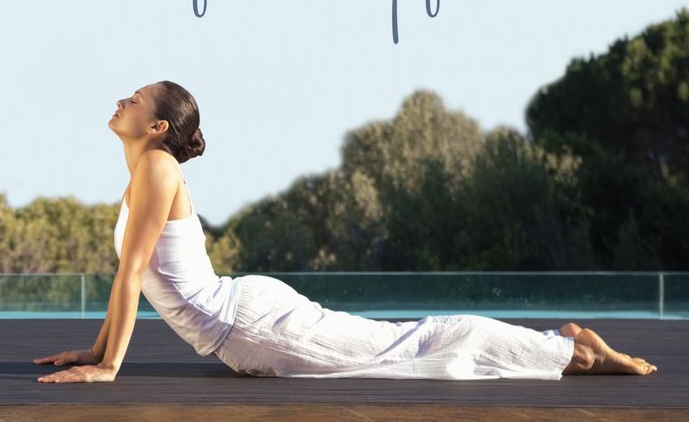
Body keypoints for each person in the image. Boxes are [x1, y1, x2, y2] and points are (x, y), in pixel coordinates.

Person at [34, 81, 658, 383]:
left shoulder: (156, 168)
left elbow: (131, 272)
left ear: (158, 128)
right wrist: (96, 352)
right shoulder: (149, 167)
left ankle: (572, 350)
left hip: (250, 326)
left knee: (409, 353)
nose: (124, 98)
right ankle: (562, 343)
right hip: (246, 320)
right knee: (402, 346)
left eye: (137, 98)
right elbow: (134, 276)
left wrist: (110, 365)